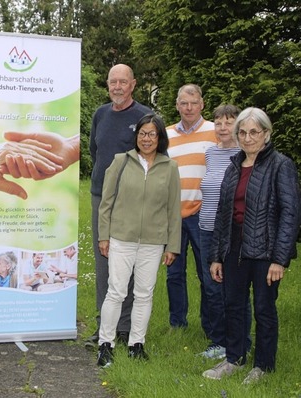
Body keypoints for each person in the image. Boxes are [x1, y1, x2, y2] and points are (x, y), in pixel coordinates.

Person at [203, 107, 299, 384]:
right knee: (233, 305)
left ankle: (263, 366)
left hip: (266, 251)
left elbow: (290, 214)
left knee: (264, 309)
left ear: (266, 134)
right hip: (234, 248)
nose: (247, 138)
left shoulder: (281, 165)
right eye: (242, 132)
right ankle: (234, 359)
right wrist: (217, 256)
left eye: (254, 132)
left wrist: (280, 259)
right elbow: (223, 214)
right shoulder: (234, 165)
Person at [96, 114, 181, 367]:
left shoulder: (170, 167)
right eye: (143, 133)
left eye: (152, 134)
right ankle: (106, 344)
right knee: (116, 291)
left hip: (153, 242)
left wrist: (172, 245)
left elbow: (172, 210)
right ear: (137, 136)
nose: (146, 139)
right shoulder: (121, 162)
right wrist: (104, 236)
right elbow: (106, 202)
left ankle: (136, 344)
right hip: (121, 238)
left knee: (144, 294)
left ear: (160, 138)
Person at [87, 64, 153, 347]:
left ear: (133, 84)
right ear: (107, 84)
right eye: (113, 81)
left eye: (123, 82)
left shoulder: (143, 117)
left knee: (130, 261)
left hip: (131, 201)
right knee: (104, 262)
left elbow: (152, 157)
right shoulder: (100, 114)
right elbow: (95, 151)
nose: (117, 87)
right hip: (101, 197)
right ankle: (105, 327)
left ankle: (125, 328)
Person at [166, 84, 217, 330]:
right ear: (177, 105)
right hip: (173, 216)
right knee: (174, 274)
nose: (189, 108)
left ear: (202, 104)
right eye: (184, 103)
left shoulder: (215, 132)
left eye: (193, 103)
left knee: (206, 274)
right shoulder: (166, 135)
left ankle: (209, 324)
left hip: (202, 215)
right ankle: (178, 323)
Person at [197, 104, 243, 359]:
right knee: (211, 286)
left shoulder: (244, 155)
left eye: (229, 122)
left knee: (233, 286)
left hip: (232, 231)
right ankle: (218, 342)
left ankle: (238, 341)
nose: (223, 127)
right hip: (206, 227)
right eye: (218, 123)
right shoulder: (211, 154)